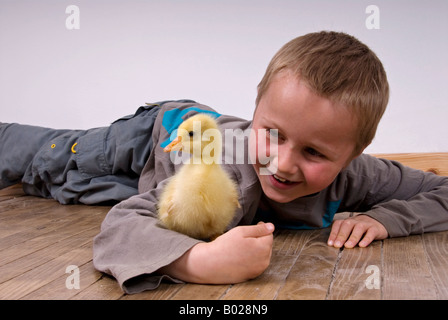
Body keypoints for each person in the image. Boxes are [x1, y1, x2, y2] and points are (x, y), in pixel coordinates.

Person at [1, 31, 448, 294]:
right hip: (154, 136)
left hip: (165, 179)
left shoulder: (361, 176)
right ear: (255, 111)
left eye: (313, 153)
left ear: (353, 156)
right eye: (271, 133)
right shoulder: (234, 167)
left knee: (67, 191)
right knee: (53, 160)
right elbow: (120, 229)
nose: (283, 163)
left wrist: (390, 218)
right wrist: (196, 262)